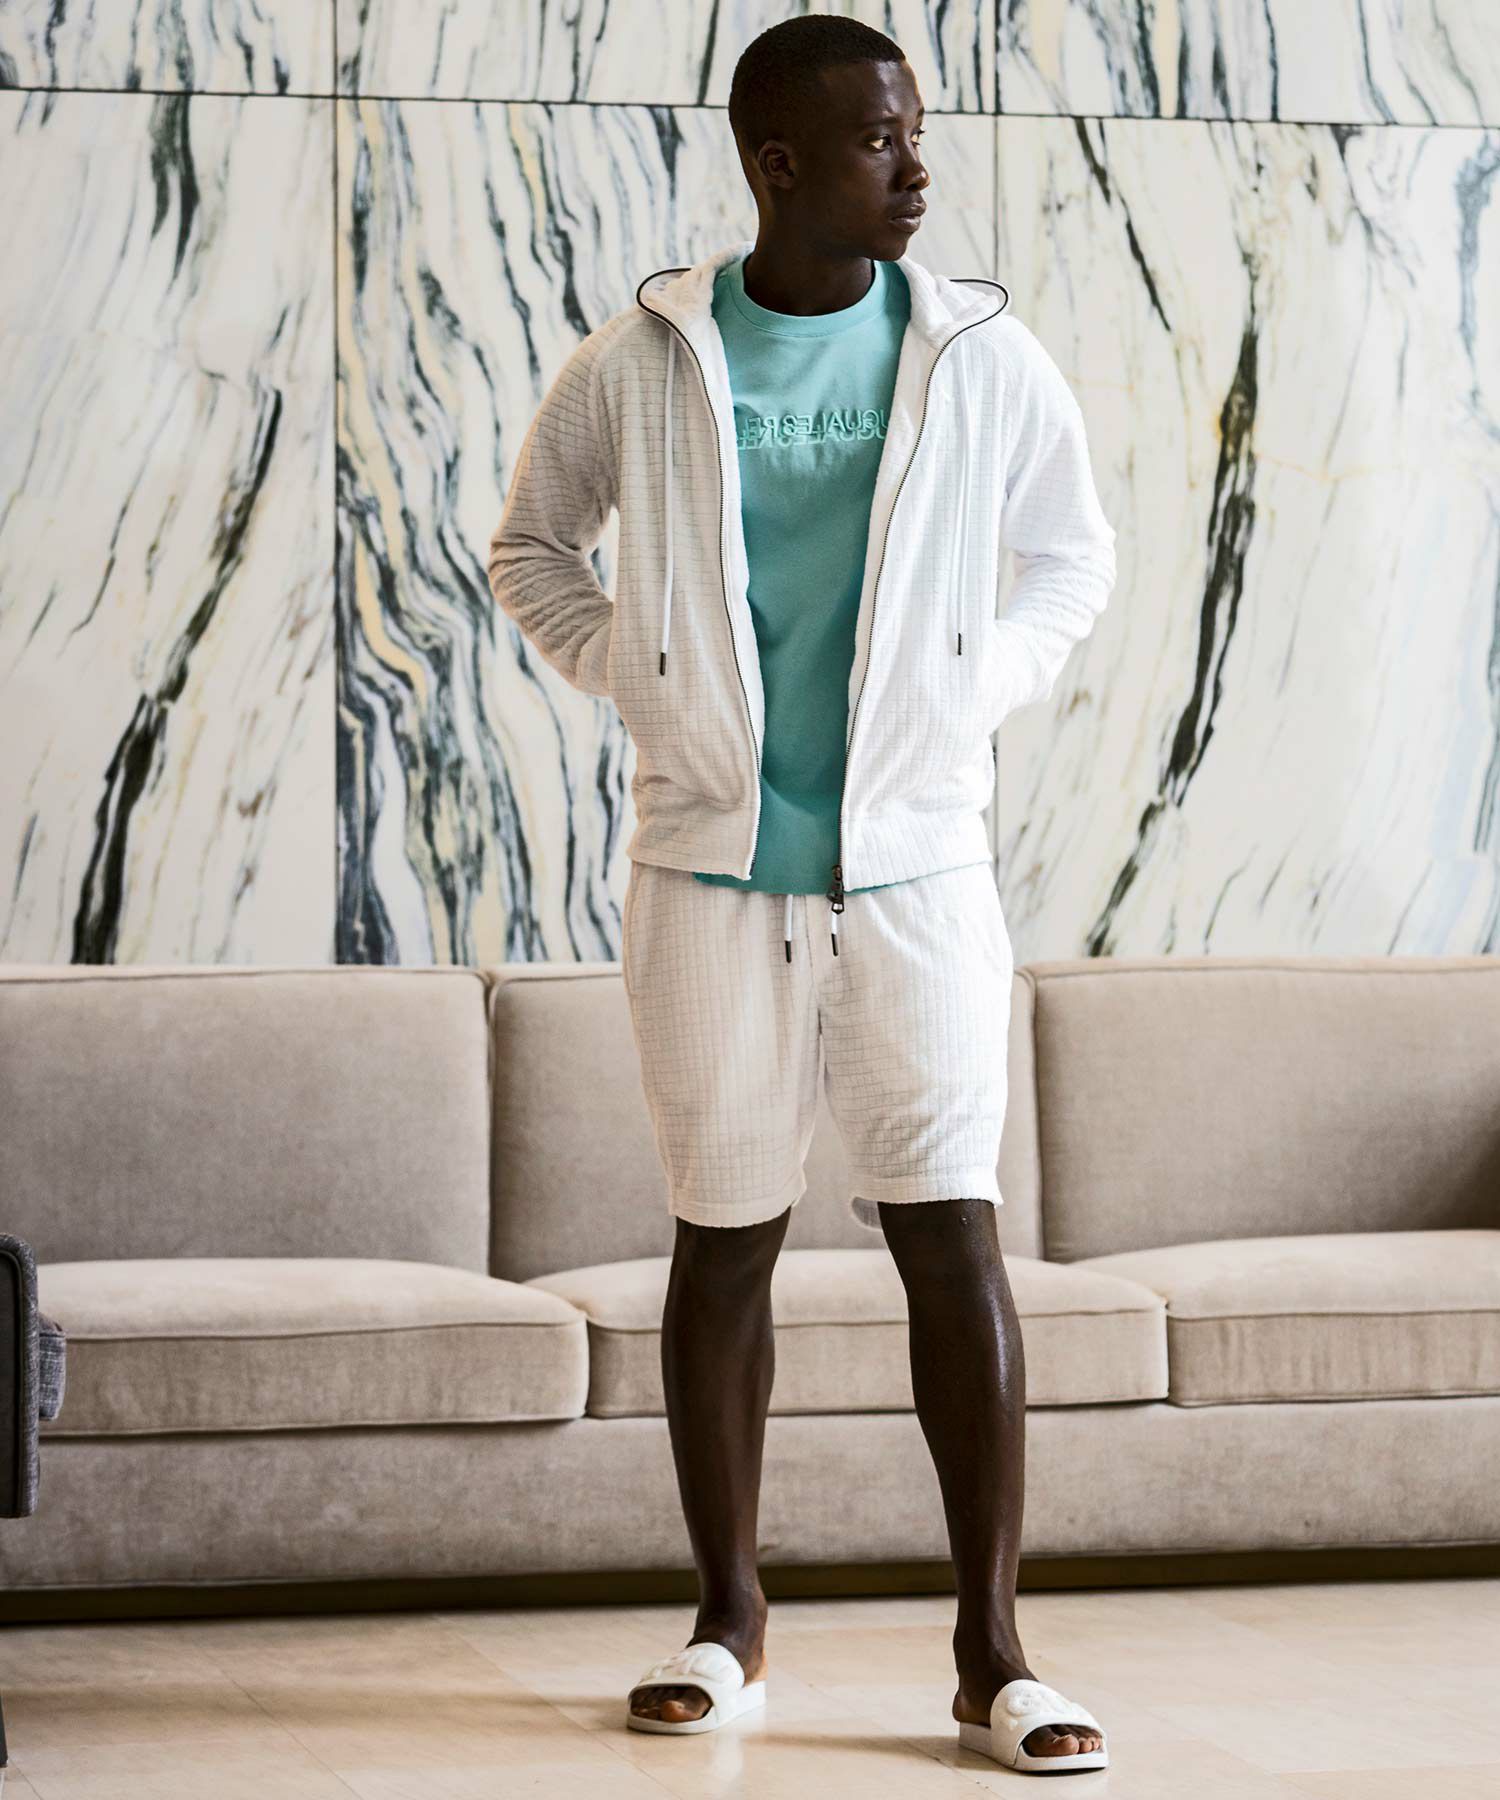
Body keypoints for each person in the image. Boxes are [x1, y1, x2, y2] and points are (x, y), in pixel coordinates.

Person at [488, 13, 1115, 1775]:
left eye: (916, 135)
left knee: (952, 1235)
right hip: (707, 874)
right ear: (778, 164)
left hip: (921, 871)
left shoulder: (980, 352)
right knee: (724, 1243)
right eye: (880, 141)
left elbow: (1071, 558)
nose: (916, 167)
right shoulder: (644, 359)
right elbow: (531, 544)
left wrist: (975, 685)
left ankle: (994, 1654)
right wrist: (641, 677)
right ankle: (728, 1620)